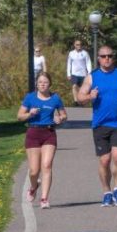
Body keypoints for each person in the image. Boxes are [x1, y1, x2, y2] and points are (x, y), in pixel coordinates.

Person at [77, 44, 117, 207]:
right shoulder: (92, 77)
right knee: (105, 160)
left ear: (113, 57)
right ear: (98, 59)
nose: (107, 59)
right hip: (100, 124)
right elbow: (79, 97)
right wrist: (90, 96)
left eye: (110, 56)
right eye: (103, 56)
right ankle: (106, 191)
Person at [17, 72, 67, 208]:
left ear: (49, 84)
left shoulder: (55, 98)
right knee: (34, 170)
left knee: (46, 165)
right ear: (37, 84)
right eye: (40, 82)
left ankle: (44, 199)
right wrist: (29, 113)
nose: (43, 84)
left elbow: (64, 115)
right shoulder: (30, 98)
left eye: (45, 82)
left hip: (49, 133)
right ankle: (34, 187)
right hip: (33, 133)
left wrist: (60, 118)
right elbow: (19, 116)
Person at [65, 39, 92, 105]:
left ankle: (81, 101)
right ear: (74, 45)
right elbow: (69, 64)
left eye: (80, 44)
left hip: (83, 74)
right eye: (77, 44)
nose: (79, 46)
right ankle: (76, 101)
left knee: (82, 89)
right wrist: (68, 74)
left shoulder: (85, 53)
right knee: (74, 86)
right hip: (74, 74)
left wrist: (89, 73)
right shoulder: (71, 53)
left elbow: (88, 63)